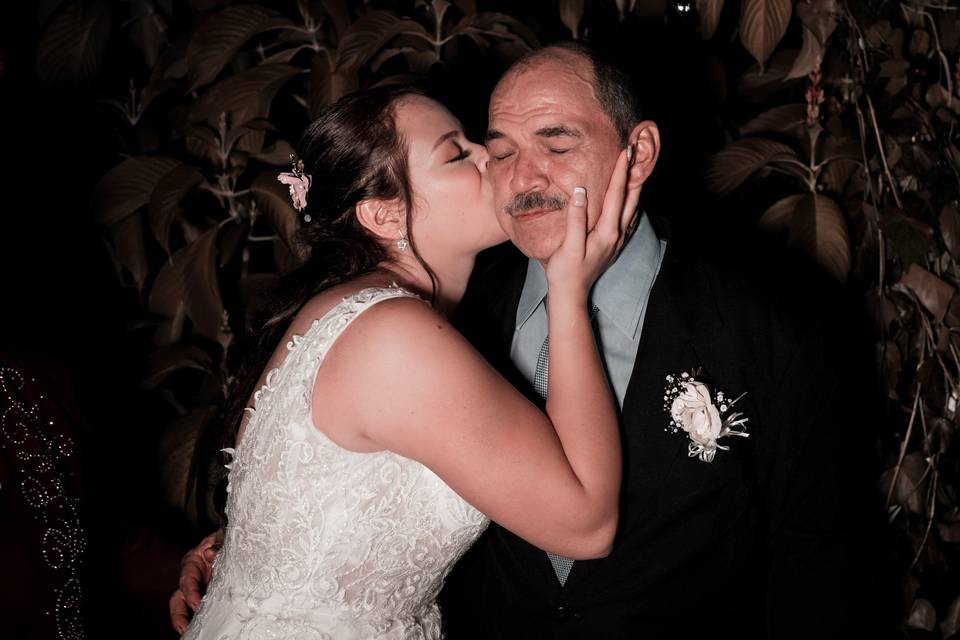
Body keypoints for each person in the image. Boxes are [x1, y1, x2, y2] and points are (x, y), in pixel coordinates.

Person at [175, 43, 890, 638]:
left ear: (636, 154)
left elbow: (819, 570)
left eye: (556, 142)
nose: (515, 176)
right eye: (491, 150)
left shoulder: (773, 326)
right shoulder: (439, 321)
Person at [173, 82, 642, 639]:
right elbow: (586, 524)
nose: (488, 157)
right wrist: (569, 290)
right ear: (384, 214)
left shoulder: (350, 310)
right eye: (456, 154)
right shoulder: (393, 336)